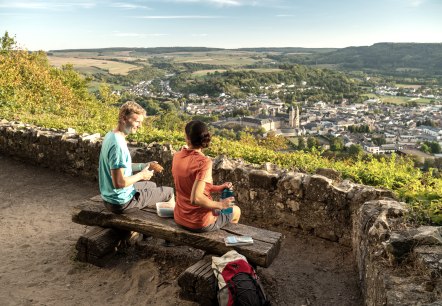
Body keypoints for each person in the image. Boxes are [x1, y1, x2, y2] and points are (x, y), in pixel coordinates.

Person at [98, 101, 174, 214]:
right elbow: (119, 183)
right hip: (121, 203)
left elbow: (120, 167)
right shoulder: (118, 145)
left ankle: (144, 210)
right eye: (137, 121)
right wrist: (141, 175)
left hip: (109, 198)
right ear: (124, 118)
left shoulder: (111, 136)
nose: (140, 125)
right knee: (169, 192)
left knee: (151, 185)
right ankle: (166, 226)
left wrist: (144, 165)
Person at [172, 120, 241, 232]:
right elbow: (196, 198)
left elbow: (190, 185)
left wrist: (218, 188)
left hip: (180, 217)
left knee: (221, 211)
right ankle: (223, 243)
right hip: (198, 222)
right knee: (236, 210)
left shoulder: (177, 156)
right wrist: (221, 205)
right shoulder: (204, 162)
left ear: (187, 138)